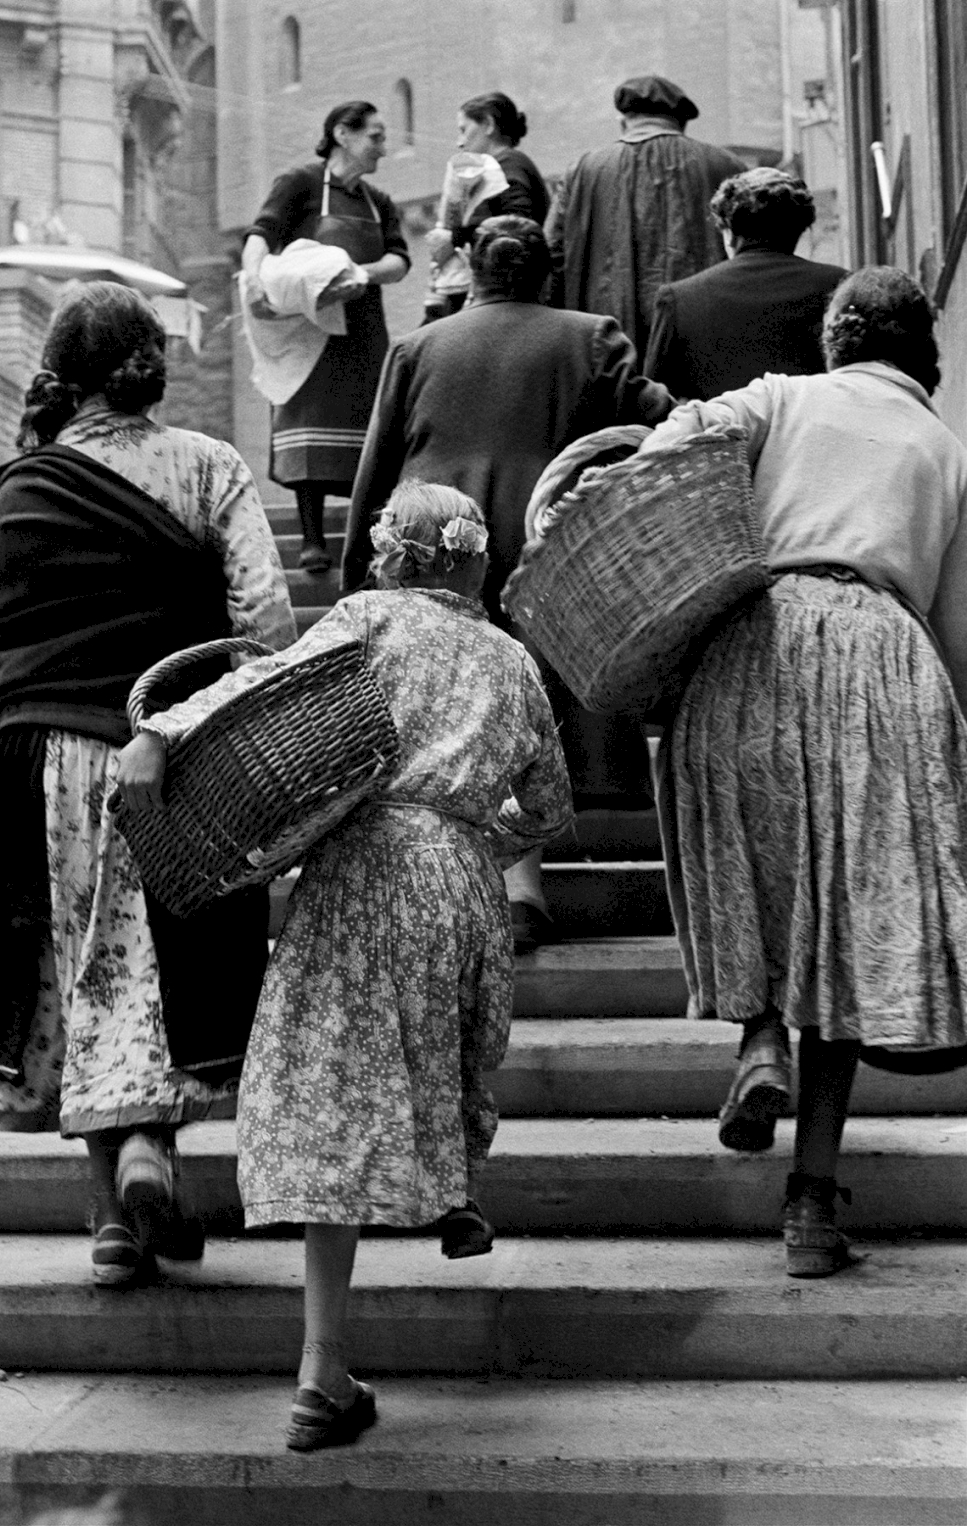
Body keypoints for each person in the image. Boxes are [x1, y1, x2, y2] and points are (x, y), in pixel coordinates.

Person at [115, 480, 573, 1451]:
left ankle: (323, 1367)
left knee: (331, 1078)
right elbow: (549, 808)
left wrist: (161, 731)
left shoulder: (365, 617)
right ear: (472, 561)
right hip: (457, 879)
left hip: (361, 866)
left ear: (390, 555)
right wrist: (478, 841)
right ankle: (448, 1189)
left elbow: (266, 683)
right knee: (431, 1046)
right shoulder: (511, 657)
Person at [638, 267, 967, 1277]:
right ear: (920, 350)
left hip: (755, 643)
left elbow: (662, 457)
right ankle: (811, 1209)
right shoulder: (943, 447)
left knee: (748, 872)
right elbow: (955, 628)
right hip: (884, 662)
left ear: (837, 336)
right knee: (845, 937)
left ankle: (754, 1043)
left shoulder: (778, 397)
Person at [0, 281, 297, 1287]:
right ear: (151, 364)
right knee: (167, 959)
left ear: (62, 374)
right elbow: (268, 622)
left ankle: (112, 1211)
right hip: (173, 748)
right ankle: (154, 1146)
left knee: (83, 964)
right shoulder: (208, 465)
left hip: (43, 761)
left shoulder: (21, 484)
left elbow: (9, 640)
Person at [342, 216, 673, 946]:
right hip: (541, 543)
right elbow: (663, 419)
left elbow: (374, 471)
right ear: (545, 271)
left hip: (434, 542)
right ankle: (521, 894)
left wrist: (352, 578)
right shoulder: (591, 335)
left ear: (470, 267)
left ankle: (452, 892)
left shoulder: (417, 347)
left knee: (442, 715)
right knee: (531, 710)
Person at [241, 100, 411, 572]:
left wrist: (362, 273)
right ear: (342, 133)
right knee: (306, 418)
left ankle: (366, 539)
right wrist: (254, 279)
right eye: (375, 136)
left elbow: (400, 260)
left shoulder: (379, 203)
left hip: (362, 327)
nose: (383, 146)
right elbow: (261, 234)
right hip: (308, 329)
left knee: (369, 428)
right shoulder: (300, 183)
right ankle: (312, 539)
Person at [545, 74, 746, 365]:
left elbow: (551, 254)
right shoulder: (725, 165)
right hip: (707, 340)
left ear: (623, 120)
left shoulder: (584, 169)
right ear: (681, 121)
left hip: (611, 342)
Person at [644, 167, 848, 399]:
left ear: (729, 234)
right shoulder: (842, 287)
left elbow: (656, 401)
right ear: (799, 230)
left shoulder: (678, 299)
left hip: (718, 433)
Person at [425, 91, 549, 317]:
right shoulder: (505, 165)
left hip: (509, 301)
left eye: (464, 129)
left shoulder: (507, 164)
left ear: (489, 124)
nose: (459, 142)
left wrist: (454, 237)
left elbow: (517, 229)